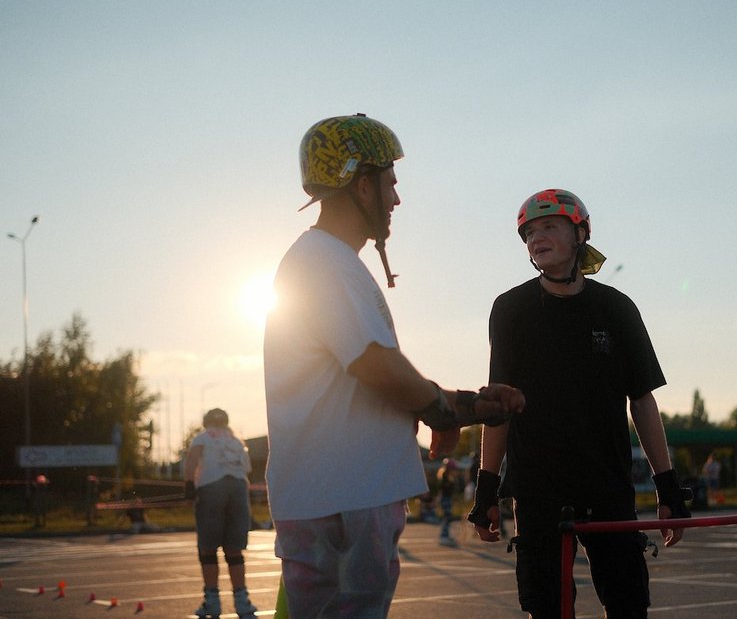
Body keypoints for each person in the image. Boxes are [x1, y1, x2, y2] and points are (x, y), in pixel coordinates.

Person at [263, 113, 524, 618]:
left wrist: (462, 405)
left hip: (335, 495)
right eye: (390, 183)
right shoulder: (325, 261)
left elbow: (367, 379)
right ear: (363, 186)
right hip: (346, 497)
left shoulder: (324, 262)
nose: (397, 200)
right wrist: (443, 411)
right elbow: (376, 366)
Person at [468, 189, 692, 618]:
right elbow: (498, 406)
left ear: (580, 234)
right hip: (538, 489)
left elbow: (642, 402)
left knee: (629, 603)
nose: (537, 237)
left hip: (607, 485)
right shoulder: (510, 309)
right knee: (547, 606)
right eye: (530, 232)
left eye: (550, 225)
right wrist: (486, 490)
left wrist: (668, 487)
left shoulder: (616, 307)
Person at [184, 407, 257, 618]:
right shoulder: (236, 440)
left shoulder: (202, 437)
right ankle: (242, 602)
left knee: (208, 549)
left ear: (206, 422)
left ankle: (212, 601)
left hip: (211, 489)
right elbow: (246, 470)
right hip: (238, 489)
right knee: (234, 550)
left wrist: (189, 486)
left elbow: (192, 461)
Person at [437, 458, 461, 546]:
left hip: (447, 499)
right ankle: (444, 536)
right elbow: (444, 491)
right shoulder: (445, 477)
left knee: (447, 517)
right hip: (445, 499)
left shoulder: (448, 477)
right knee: (447, 517)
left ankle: (446, 535)